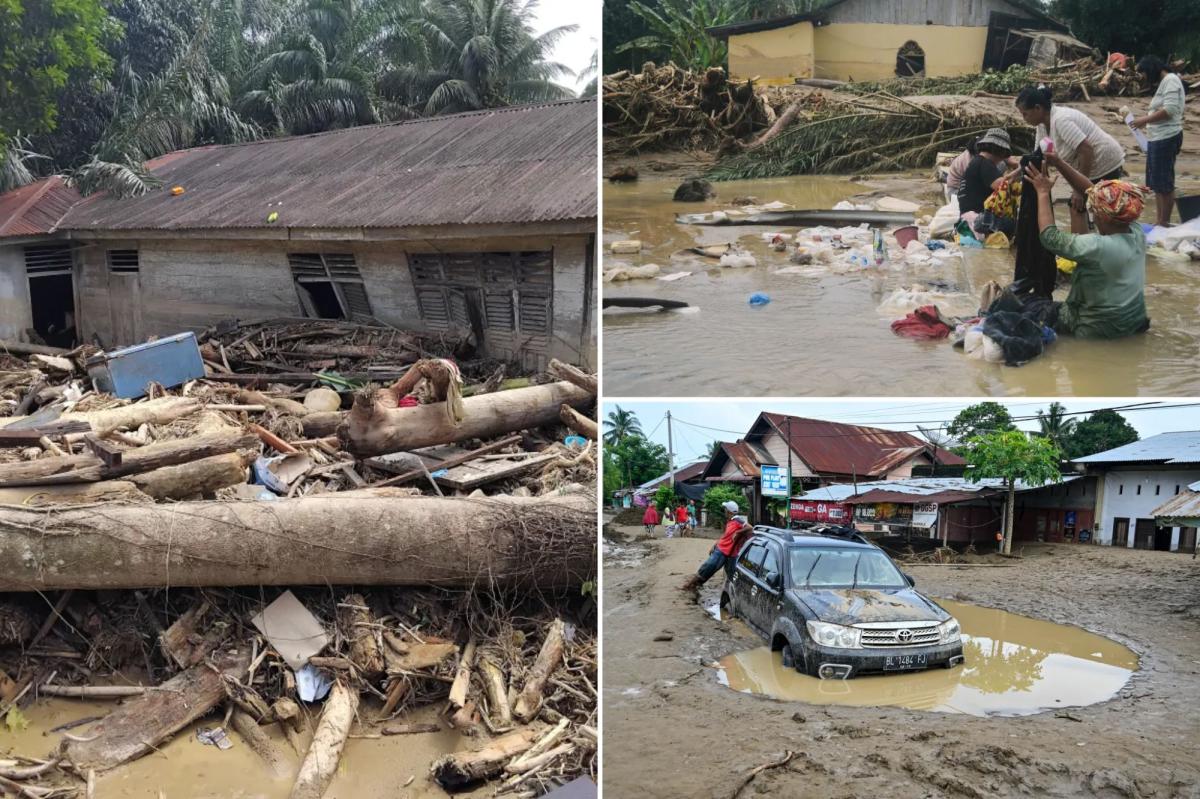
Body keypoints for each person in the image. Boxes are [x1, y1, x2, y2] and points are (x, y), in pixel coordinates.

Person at [1024, 155, 1150, 339]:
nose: (1093, 214)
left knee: (1028, 305)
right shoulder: (1137, 233)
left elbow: (1050, 237)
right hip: (1133, 323)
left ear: (1104, 217)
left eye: (1095, 211)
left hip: (1093, 328)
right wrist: (1059, 163)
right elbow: (1091, 190)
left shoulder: (1098, 246)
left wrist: (1043, 193)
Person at [1015, 85, 1125, 234]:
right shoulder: (1041, 125)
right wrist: (1016, 174)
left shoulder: (1061, 120)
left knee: (1102, 211)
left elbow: (1086, 150)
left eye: (1025, 114)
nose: (1024, 118)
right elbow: (1039, 156)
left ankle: (1101, 245)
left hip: (1104, 161)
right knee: (1077, 208)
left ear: (1037, 108)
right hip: (1087, 166)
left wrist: (1079, 191)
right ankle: (1084, 246)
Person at [1130, 55, 1185, 227]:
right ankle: (1160, 221)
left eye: (1144, 73)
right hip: (1158, 138)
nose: (1144, 78)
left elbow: (1169, 110)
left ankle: (1164, 222)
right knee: (1157, 183)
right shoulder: (1165, 82)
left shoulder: (1170, 80)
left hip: (1166, 137)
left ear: (1151, 69)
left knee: (1164, 183)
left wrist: (1143, 120)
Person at [680, 501, 753, 591]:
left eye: (725, 509)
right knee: (708, 569)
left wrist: (738, 532)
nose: (724, 511)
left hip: (725, 553)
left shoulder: (738, 520)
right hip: (722, 551)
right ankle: (692, 586)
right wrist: (715, 545)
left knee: (707, 568)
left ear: (729, 511)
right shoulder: (731, 521)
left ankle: (689, 586)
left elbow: (750, 527)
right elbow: (725, 536)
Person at [944, 138, 978, 203]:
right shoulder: (969, 161)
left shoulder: (969, 154)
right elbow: (973, 184)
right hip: (955, 191)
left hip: (959, 188)